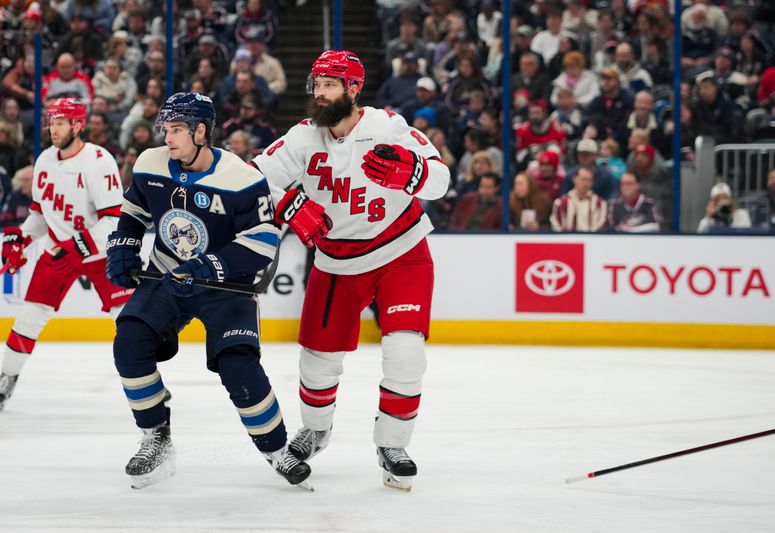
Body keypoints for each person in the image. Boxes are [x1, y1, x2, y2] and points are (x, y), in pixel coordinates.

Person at [251, 50, 450, 491]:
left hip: (401, 251)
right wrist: (287, 203)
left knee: (405, 351)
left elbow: (441, 179)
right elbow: (253, 177)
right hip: (336, 260)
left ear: (354, 89)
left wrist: (413, 171)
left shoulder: (388, 127)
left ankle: (393, 444)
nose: (319, 94)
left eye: (329, 85)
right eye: (315, 85)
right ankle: (317, 430)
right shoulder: (303, 137)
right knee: (317, 361)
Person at [104, 92, 311, 490]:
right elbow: (133, 213)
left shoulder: (242, 177)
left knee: (239, 368)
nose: (168, 137)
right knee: (129, 342)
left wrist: (211, 265)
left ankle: (276, 449)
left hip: (225, 286)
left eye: (178, 129)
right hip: (167, 274)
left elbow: (264, 241)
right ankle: (155, 437)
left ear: (202, 131)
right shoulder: (150, 164)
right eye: (166, 128)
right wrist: (124, 247)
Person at [0, 99, 131, 410]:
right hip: (59, 249)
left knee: (129, 323)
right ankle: (6, 378)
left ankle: (147, 384)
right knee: (29, 317)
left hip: (100, 254)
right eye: (51, 122)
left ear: (77, 125)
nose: (53, 128)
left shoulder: (99, 161)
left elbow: (113, 219)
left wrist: (77, 247)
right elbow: (41, 212)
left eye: (60, 122)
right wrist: (22, 238)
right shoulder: (45, 160)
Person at [550, 167, 607, 232]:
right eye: (583, 180)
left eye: (589, 180)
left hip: (592, 240)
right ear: (574, 179)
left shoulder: (600, 203)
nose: (586, 184)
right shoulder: (560, 203)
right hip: (568, 240)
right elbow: (556, 225)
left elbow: (600, 224)